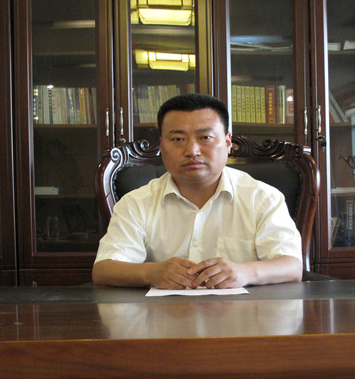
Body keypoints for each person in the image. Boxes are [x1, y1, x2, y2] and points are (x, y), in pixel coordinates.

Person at [92, 93, 303, 289]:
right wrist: (152, 272)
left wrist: (244, 272)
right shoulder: (137, 203)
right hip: (161, 315)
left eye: (205, 137)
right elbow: (104, 270)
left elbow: (292, 266)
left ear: (228, 142)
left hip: (245, 314)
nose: (192, 151)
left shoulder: (262, 198)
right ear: (162, 146)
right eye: (178, 139)